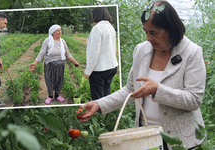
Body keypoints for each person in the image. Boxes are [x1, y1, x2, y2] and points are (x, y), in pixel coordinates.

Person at [79, 1, 206, 150]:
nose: (148, 38)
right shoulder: (142, 50)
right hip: (146, 138)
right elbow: (130, 89)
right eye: (145, 31)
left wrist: (157, 90)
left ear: (171, 29)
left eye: (153, 33)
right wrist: (100, 104)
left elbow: (194, 99)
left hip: (181, 141)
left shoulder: (191, 53)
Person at [29, 25, 79, 104]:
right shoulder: (47, 41)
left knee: (59, 81)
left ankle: (57, 95)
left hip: (60, 65)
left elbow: (68, 54)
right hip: (50, 65)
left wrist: (74, 62)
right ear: (52, 33)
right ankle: (50, 96)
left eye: (60, 30)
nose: (60, 32)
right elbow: (41, 53)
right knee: (49, 81)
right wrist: (35, 62)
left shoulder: (62, 41)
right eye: (58, 31)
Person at [84, 7, 118, 100]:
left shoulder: (97, 28)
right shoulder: (110, 27)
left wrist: (88, 71)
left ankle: (99, 114)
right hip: (111, 66)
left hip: (100, 69)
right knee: (106, 94)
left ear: (95, 16)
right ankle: (108, 113)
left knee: (98, 99)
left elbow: (94, 53)